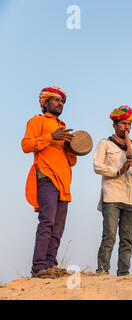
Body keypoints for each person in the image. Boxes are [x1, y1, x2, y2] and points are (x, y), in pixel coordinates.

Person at [22, 86, 77, 279]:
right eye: (56, 100)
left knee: (58, 227)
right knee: (47, 222)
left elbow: (71, 161)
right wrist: (50, 137)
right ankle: (38, 267)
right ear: (45, 103)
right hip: (46, 177)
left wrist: (71, 147)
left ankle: (51, 265)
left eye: (62, 101)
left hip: (64, 182)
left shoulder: (62, 125)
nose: (60, 103)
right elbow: (26, 145)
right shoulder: (37, 121)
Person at [93, 105, 132, 276]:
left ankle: (124, 274)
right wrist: (119, 171)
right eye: (123, 124)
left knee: (127, 240)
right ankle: (102, 271)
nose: (127, 127)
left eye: (129, 124)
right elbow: (97, 166)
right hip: (112, 196)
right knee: (109, 236)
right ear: (115, 125)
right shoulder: (105, 143)